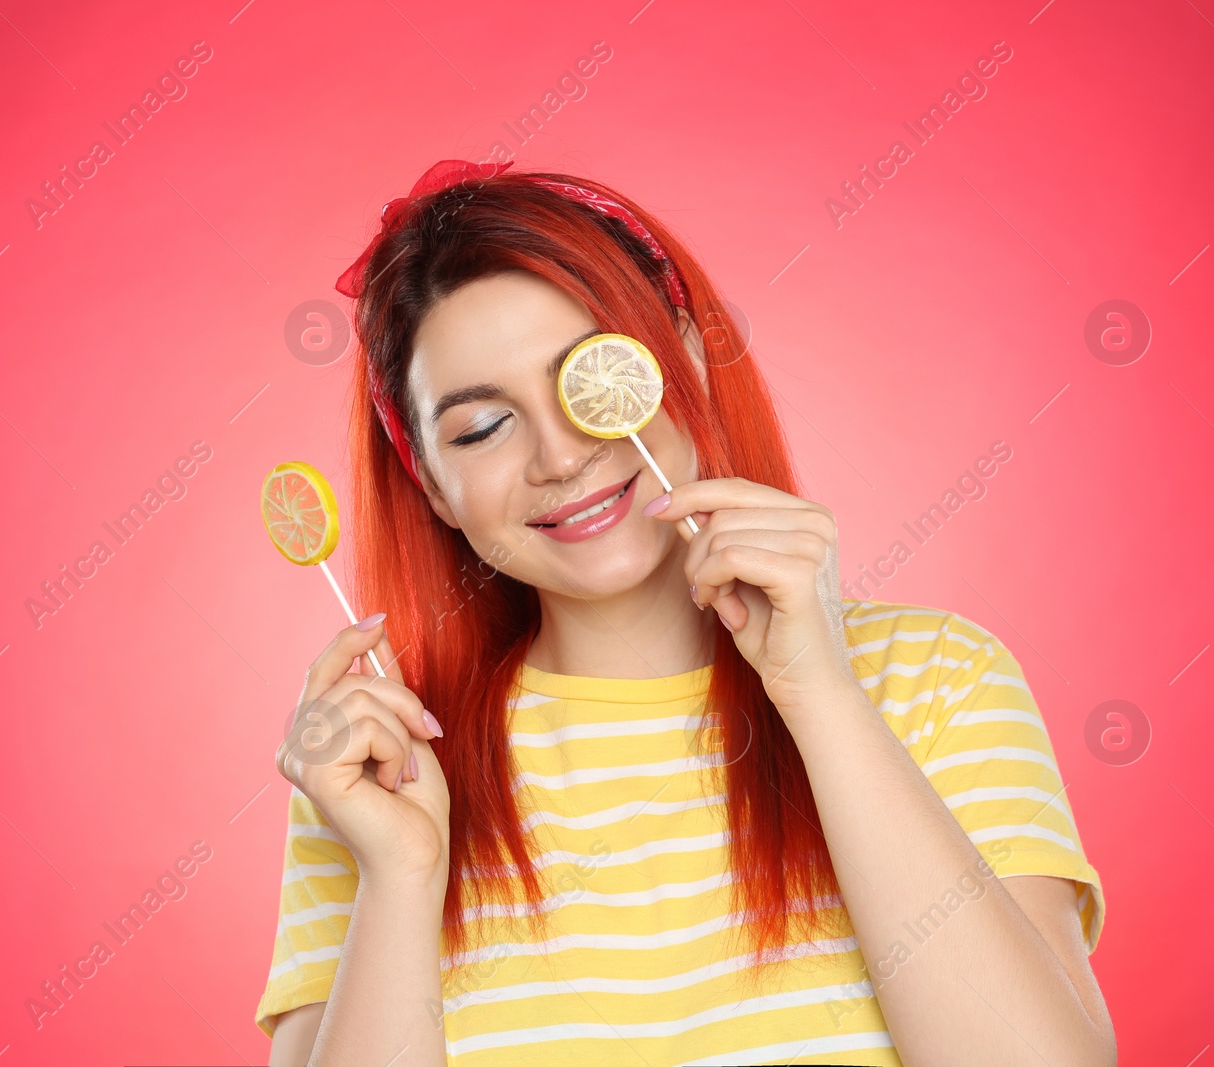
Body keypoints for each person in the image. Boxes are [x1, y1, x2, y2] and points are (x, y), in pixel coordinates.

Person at [256, 159, 1116, 1067]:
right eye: (481, 428)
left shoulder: (937, 680)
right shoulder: (382, 773)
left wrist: (820, 695)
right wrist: (401, 877)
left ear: (687, 358)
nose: (561, 454)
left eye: (590, 376)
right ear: (432, 485)